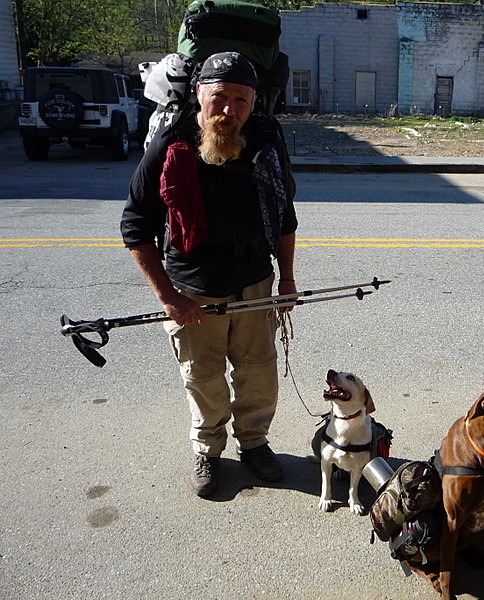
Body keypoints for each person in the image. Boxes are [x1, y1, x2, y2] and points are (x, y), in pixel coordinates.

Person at [121, 52, 298, 497]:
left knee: (258, 372)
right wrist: (168, 298)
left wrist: (287, 279)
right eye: (219, 96)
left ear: (253, 102)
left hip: (255, 281)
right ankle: (208, 449)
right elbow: (135, 226)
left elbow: (285, 216)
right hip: (191, 289)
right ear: (199, 94)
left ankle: (254, 443)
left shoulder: (264, 140)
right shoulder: (171, 143)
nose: (228, 108)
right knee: (203, 378)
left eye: (241, 98)